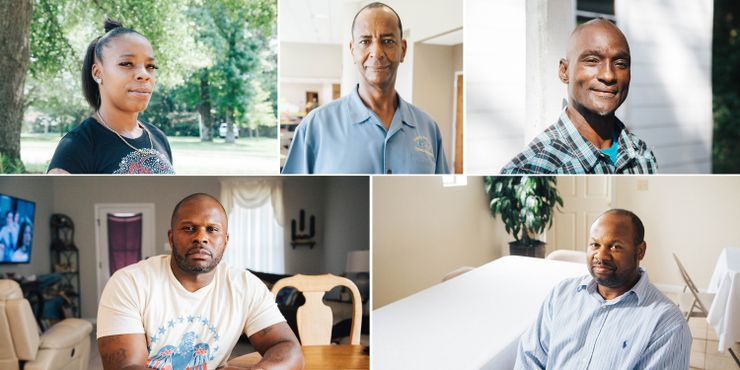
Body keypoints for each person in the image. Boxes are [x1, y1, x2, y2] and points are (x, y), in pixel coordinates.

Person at [97, 193, 303, 370]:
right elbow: (126, 367)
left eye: (212, 229)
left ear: (226, 240)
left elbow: (288, 347)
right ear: (171, 238)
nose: (201, 237)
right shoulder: (128, 283)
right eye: (188, 228)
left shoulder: (246, 286)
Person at [282, 2, 450, 174]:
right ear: (352, 50)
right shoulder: (315, 127)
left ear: (403, 50)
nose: (376, 52)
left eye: (388, 41)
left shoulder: (428, 128)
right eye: (365, 41)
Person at [515, 209, 691, 369]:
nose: (601, 255)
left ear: (640, 251)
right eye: (595, 245)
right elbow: (530, 358)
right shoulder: (561, 295)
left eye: (615, 246)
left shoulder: (667, 324)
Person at [502, 19, 657, 174]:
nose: (608, 75)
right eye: (592, 61)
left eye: (620, 63)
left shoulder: (642, 155)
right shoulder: (531, 170)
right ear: (564, 71)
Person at [48, 18, 174, 174]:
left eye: (150, 66)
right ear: (97, 73)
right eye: (127, 64)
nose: (144, 74)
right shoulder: (76, 147)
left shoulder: (158, 137)